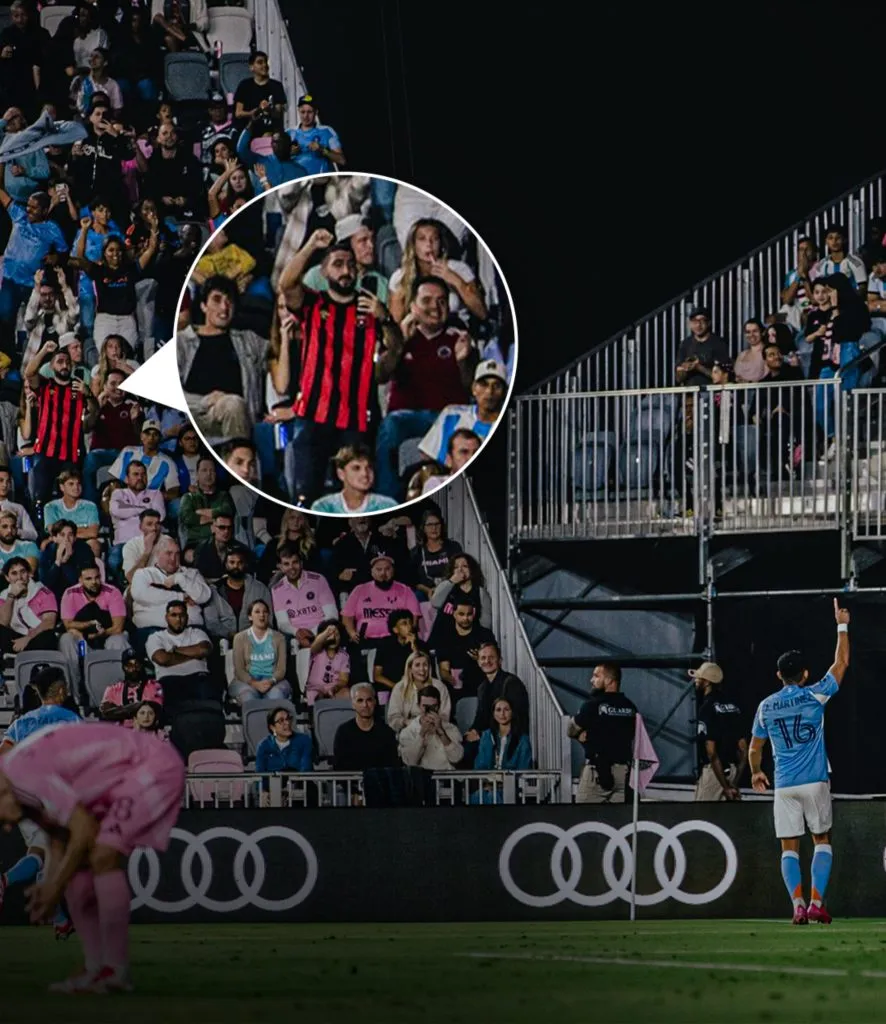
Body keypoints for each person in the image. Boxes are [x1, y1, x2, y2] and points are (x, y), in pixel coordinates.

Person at [0, 721, 186, 993]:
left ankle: (115, 970)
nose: (7, 827)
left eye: (0, 820)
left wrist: (53, 888)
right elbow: (58, 839)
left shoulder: (21, 775)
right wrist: (51, 885)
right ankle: (95, 968)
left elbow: (83, 829)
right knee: (79, 875)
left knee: (102, 854)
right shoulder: (16, 778)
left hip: (151, 765)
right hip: (123, 775)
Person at [278, 229, 404, 505]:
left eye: (350, 264)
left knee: (352, 499)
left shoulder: (370, 309)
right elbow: (287, 284)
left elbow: (394, 352)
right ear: (323, 272)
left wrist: (385, 320)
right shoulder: (313, 303)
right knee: (306, 496)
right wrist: (311, 244)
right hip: (313, 414)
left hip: (356, 419)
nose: (346, 270)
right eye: (337, 264)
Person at [749, 600, 850, 925]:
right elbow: (842, 662)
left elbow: (754, 749)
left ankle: (797, 905)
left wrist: (755, 772)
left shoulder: (765, 707)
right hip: (816, 780)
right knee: (822, 839)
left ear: (779, 675)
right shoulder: (815, 694)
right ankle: (817, 902)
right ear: (805, 674)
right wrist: (842, 625)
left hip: (785, 784)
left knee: (788, 848)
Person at [0, 666, 80, 938]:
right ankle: (4, 881)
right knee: (49, 854)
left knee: (41, 853)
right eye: (65, 688)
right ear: (59, 691)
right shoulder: (70, 719)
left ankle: (60, 921)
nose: (67, 692)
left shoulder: (20, 723)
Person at [568, 662, 638, 804]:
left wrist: (582, 737)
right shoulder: (631, 707)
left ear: (609, 680)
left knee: (583, 820)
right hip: (624, 774)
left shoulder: (592, 706)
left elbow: (571, 729)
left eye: (596, 676)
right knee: (620, 822)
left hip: (597, 773)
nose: (591, 680)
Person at [418, 359, 507, 465]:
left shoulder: (510, 426)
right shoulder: (451, 414)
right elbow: (427, 456)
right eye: (483, 384)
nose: (489, 391)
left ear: (505, 393)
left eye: (497, 386)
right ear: (474, 389)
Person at [691, 661, 748, 802]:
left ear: (707, 682)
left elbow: (711, 752)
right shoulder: (733, 706)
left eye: (699, 677)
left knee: (701, 820)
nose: (695, 680)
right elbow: (743, 748)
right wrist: (734, 782)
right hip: (732, 771)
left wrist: (725, 786)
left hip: (714, 774)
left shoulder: (706, 708)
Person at [145, 599, 215, 711]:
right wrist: (194, 654)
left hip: (199, 678)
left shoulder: (196, 633)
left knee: (208, 694)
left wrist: (175, 650)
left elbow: (204, 650)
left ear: (187, 617)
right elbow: (162, 659)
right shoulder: (156, 637)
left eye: (182, 615)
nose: (178, 619)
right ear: (166, 617)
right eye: (174, 615)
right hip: (169, 680)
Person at [229, 599, 292, 705]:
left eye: (265, 612)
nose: (262, 615)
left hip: (273, 680)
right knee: (248, 697)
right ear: (250, 616)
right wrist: (254, 683)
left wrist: (271, 681)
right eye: (257, 612)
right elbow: (239, 670)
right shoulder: (240, 638)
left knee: (276, 695)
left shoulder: (279, 638)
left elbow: (281, 669)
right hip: (247, 681)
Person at [310, 443, 397, 514]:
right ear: (341, 474)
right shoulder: (323, 508)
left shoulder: (387, 506)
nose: (365, 474)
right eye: (356, 468)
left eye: (369, 467)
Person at [333, 682, 400, 772]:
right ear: (353, 704)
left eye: (369, 700)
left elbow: (392, 766)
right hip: (351, 784)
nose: (365, 705)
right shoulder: (343, 732)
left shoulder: (386, 732)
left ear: (375, 702)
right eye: (360, 700)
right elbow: (339, 766)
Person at [0, 556, 58, 656]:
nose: (19, 577)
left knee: (48, 636)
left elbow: (49, 622)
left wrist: (28, 638)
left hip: (37, 638)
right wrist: (11, 596)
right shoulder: (4, 596)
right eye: (14, 573)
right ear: (7, 578)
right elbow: (3, 623)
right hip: (16, 638)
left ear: (29, 574)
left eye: (23, 572)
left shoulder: (43, 592)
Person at [398, 686, 463, 770]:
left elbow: (457, 758)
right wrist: (422, 734)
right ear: (418, 706)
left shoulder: (450, 728)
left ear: (439, 706)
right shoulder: (408, 732)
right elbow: (410, 762)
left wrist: (441, 732)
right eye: (425, 706)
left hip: (446, 776)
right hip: (422, 779)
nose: (429, 710)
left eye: (433, 707)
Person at [385, 649, 450, 734]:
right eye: (417, 665)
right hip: (407, 732)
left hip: (434, 732)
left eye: (425, 665)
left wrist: (433, 723)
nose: (422, 669)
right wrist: (409, 722)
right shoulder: (399, 688)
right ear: (410, 668)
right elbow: (393, 719)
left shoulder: (439, 687)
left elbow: (445, 716)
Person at [99, 649, 164, 726]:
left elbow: (155, 710)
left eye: (137, 665)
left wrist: (119, 710)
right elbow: (105, 712)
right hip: (121, 733)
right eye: (129, 665)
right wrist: (140, 707)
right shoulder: (112, 689)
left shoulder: (155, 686)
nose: (133, 669)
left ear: (142, 666)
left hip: (146, 733)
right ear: (123, 667)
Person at [475, 697, 533, 771]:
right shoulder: (487, 735)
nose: (502, 714)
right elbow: (480, 765)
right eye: (498, 710)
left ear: (512, 712)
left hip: (513, 781)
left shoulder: (522, 739)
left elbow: (524, 768)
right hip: (489, 781)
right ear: (493, 713)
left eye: (506, 709)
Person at [306, 619, 350, 706]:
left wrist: (334, 688)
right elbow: (315, 645)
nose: (333, 638)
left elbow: (344, 679)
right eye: (329, 635)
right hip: (315, 688)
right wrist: (327, 632)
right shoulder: (317, 651)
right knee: (317, 697)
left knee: (346, 693)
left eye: (336, 635)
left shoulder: (344, 655)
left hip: (334, 688)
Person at [255, 707, 312, 773]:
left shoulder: (304, 740)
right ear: (272, 727)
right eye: (281, 721)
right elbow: (259, 773)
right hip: (273, 783)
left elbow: (305, 769)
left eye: (288, 719)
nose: (287, 723)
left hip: (298, 782)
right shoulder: (263, 745)